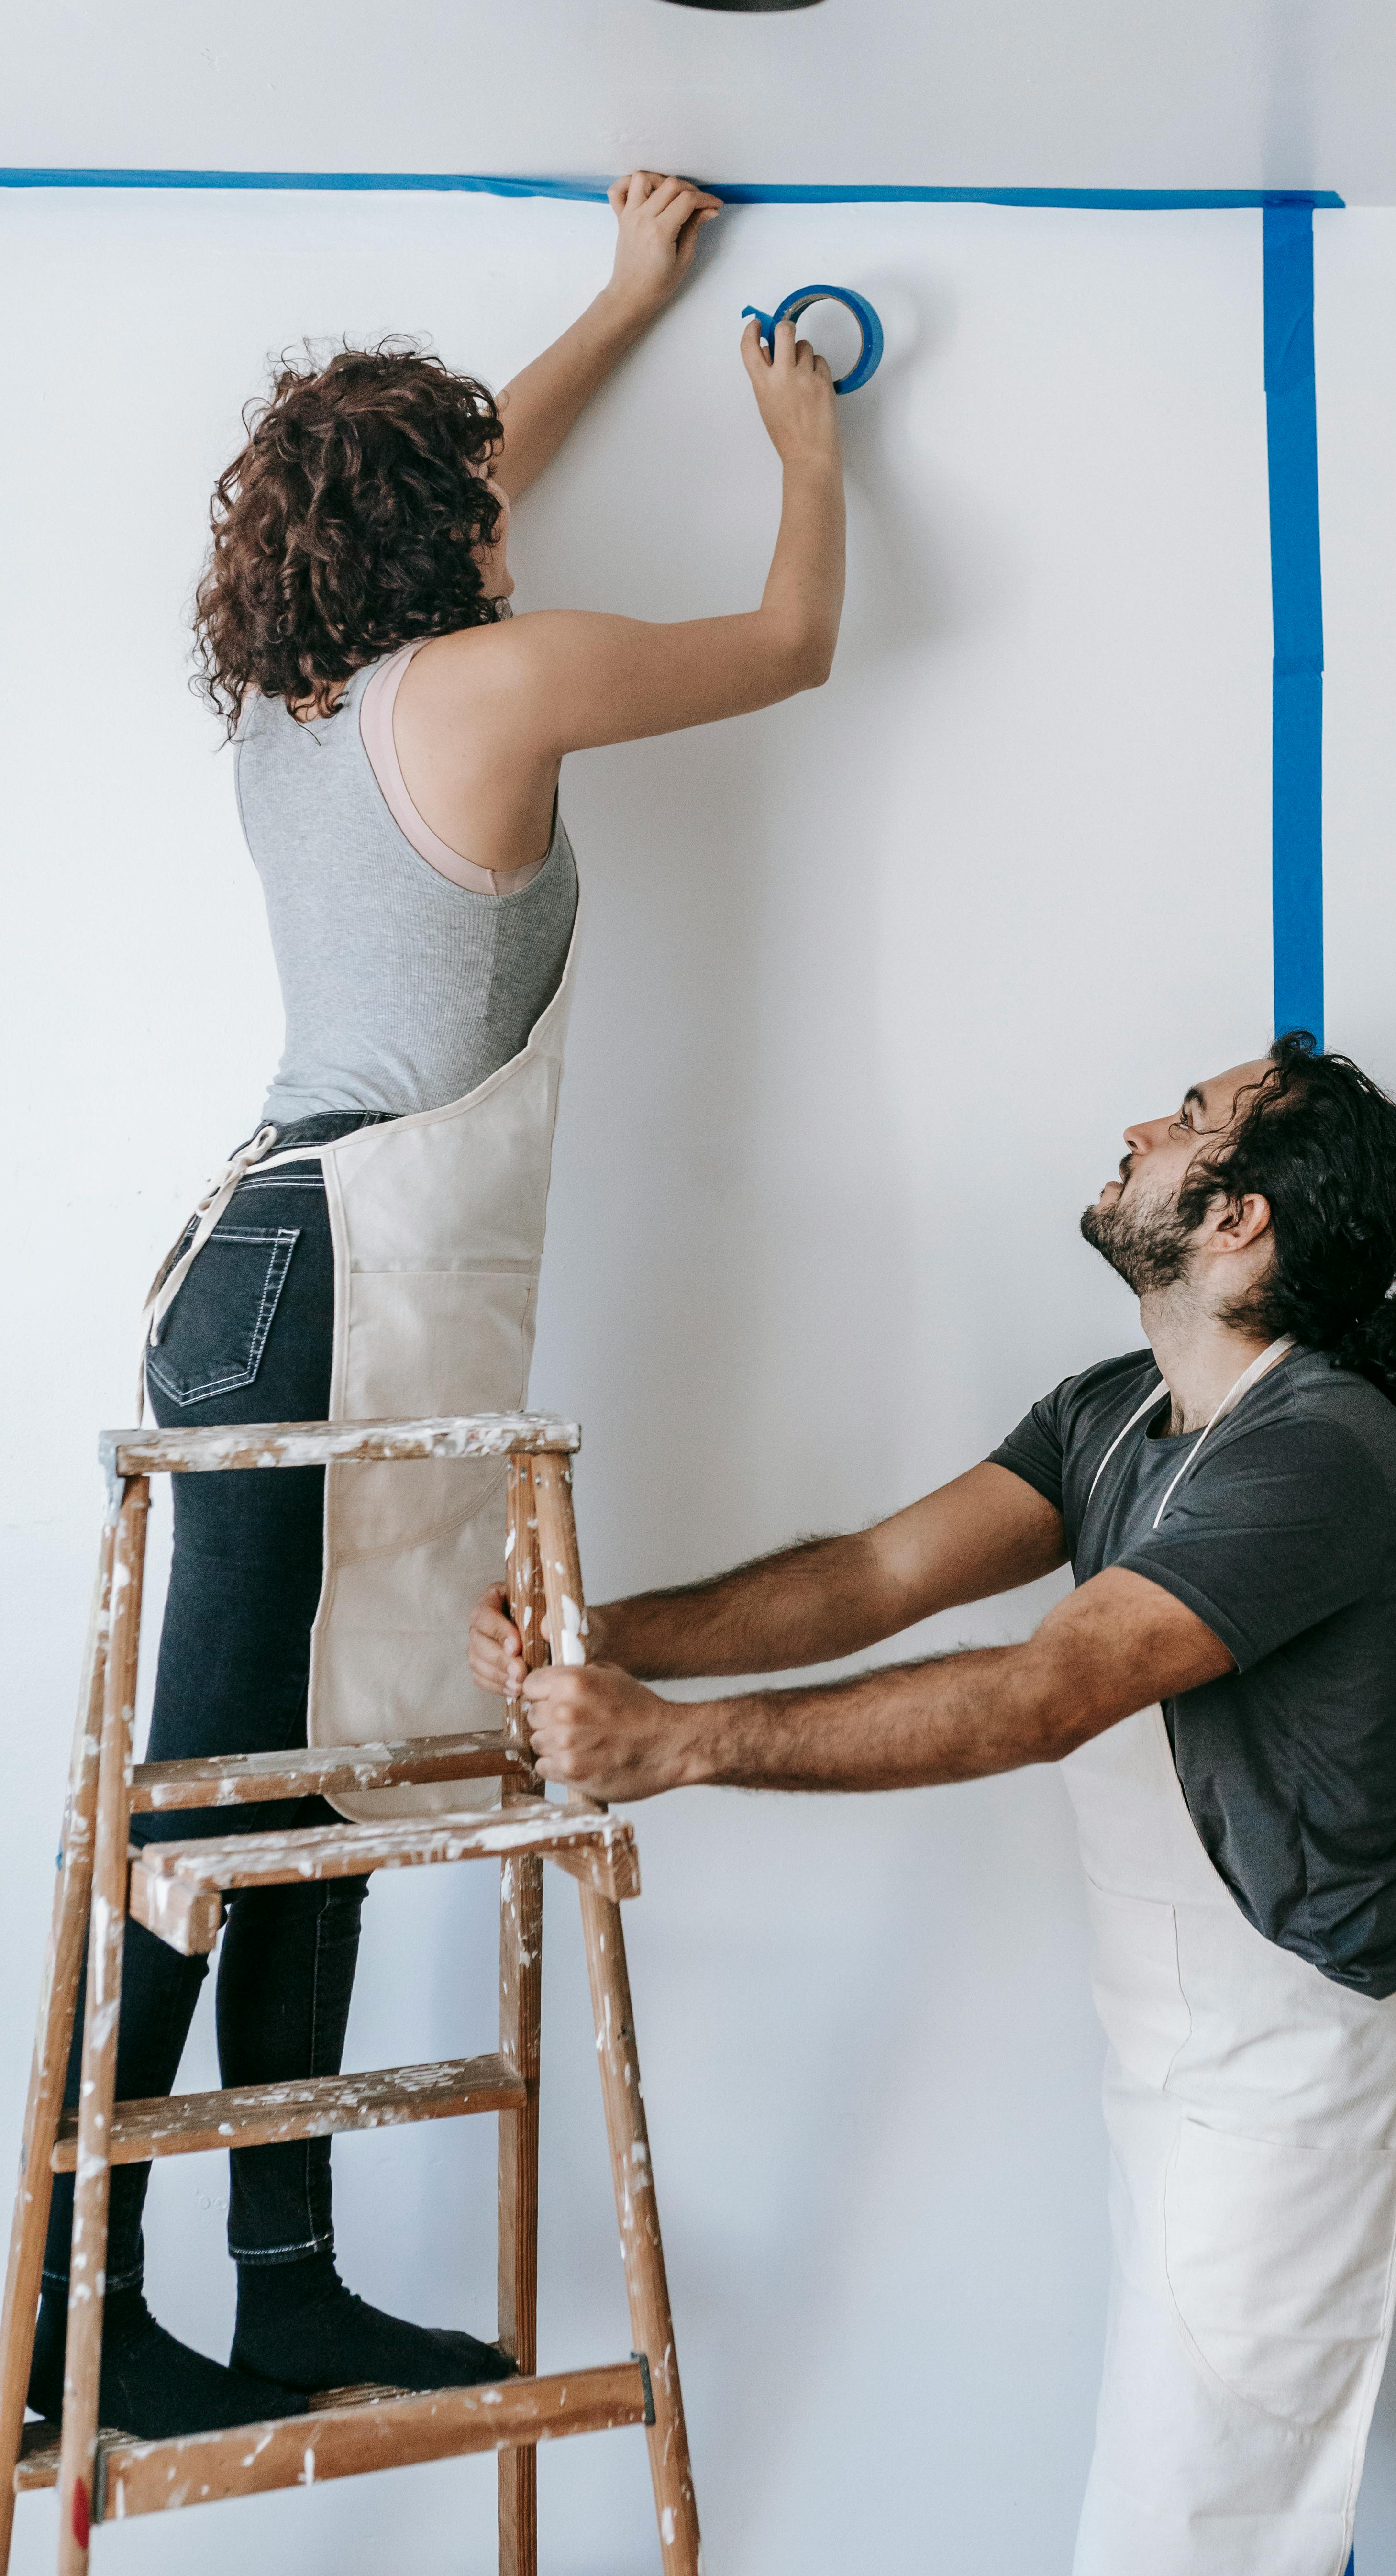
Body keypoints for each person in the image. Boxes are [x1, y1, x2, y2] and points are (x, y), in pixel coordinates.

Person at [32, 173, 846, 2443]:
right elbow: (788, 647)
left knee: (303, 1778)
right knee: (218, 1810)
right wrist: (805, 448)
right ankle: (66, 2317)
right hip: (337, 1281)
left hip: (277, 1263)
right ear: (446, 531)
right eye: (475, 493)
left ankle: (271, 2289)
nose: (510, 508)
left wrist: (619, 299)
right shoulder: (501, 676)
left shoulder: (307, 708)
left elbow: (477, 459)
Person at [470, 1031, 1396, 2576]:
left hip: (1291, 2074)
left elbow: (1043, 1694)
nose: (1146, 1123)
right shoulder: (1113, 1412)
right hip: (1169, 2056)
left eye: (1195, 1118)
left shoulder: (1320, 1452)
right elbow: (872, 1576)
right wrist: (603, 1637)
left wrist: (679, 1746)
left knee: (1189, 2540)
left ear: (1239, 1220)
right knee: (1194, 2509)